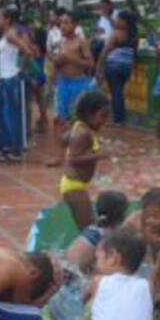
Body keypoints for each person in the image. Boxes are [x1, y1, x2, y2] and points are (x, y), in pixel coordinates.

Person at [45, 10, 93, 168]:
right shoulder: (61, 42)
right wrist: (54, 60)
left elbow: (90, 63)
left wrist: (70, 58)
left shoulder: (81, 42)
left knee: (77, 122)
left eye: (66, 23)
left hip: (78, 84)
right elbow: (58, 63)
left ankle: (77, 154)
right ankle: (59, 156)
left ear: (75, 25)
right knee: (58, 120)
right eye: (61, 23)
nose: (63, 26)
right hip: (63, 84)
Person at [0, 6, 38, 163]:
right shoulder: (6, 34)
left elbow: (27, 51)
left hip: (12, 77)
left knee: (12, 115)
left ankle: (16, 149)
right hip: (4, 77)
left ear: (7, 20)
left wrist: (20, 70)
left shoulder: (11, 34)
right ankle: (7, 142)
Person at [59, 90, 110, 228]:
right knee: (89, 229)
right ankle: (83, 249)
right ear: (89, 114)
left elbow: (63, 140)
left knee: (88, 225)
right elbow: (73, 159)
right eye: (102, 116)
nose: (104, 121)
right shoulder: (82, 132)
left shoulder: (82, 127)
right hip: (73, 185)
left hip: (76, 184)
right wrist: (99, 154)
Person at [65, 190, 129, 273]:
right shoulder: (109, 237)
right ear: (122, 216)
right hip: (76, 278)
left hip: (68, 269)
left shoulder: (92, 229)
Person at [96, 10, 136, 125]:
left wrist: (99, 65)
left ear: (124, 21)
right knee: (119, 91)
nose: (116, 21)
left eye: (118, 19)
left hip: (114, 65)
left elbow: (106, 50)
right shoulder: (133, 34)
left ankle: (118, 119)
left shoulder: (116, 33)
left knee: (116, 92)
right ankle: (120, 117)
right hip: (127, 66)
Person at [125, 188, 160, 264]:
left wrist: (151, 237)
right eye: (147, 215)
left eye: (156, 216)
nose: (150, 220)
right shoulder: (135, 219)